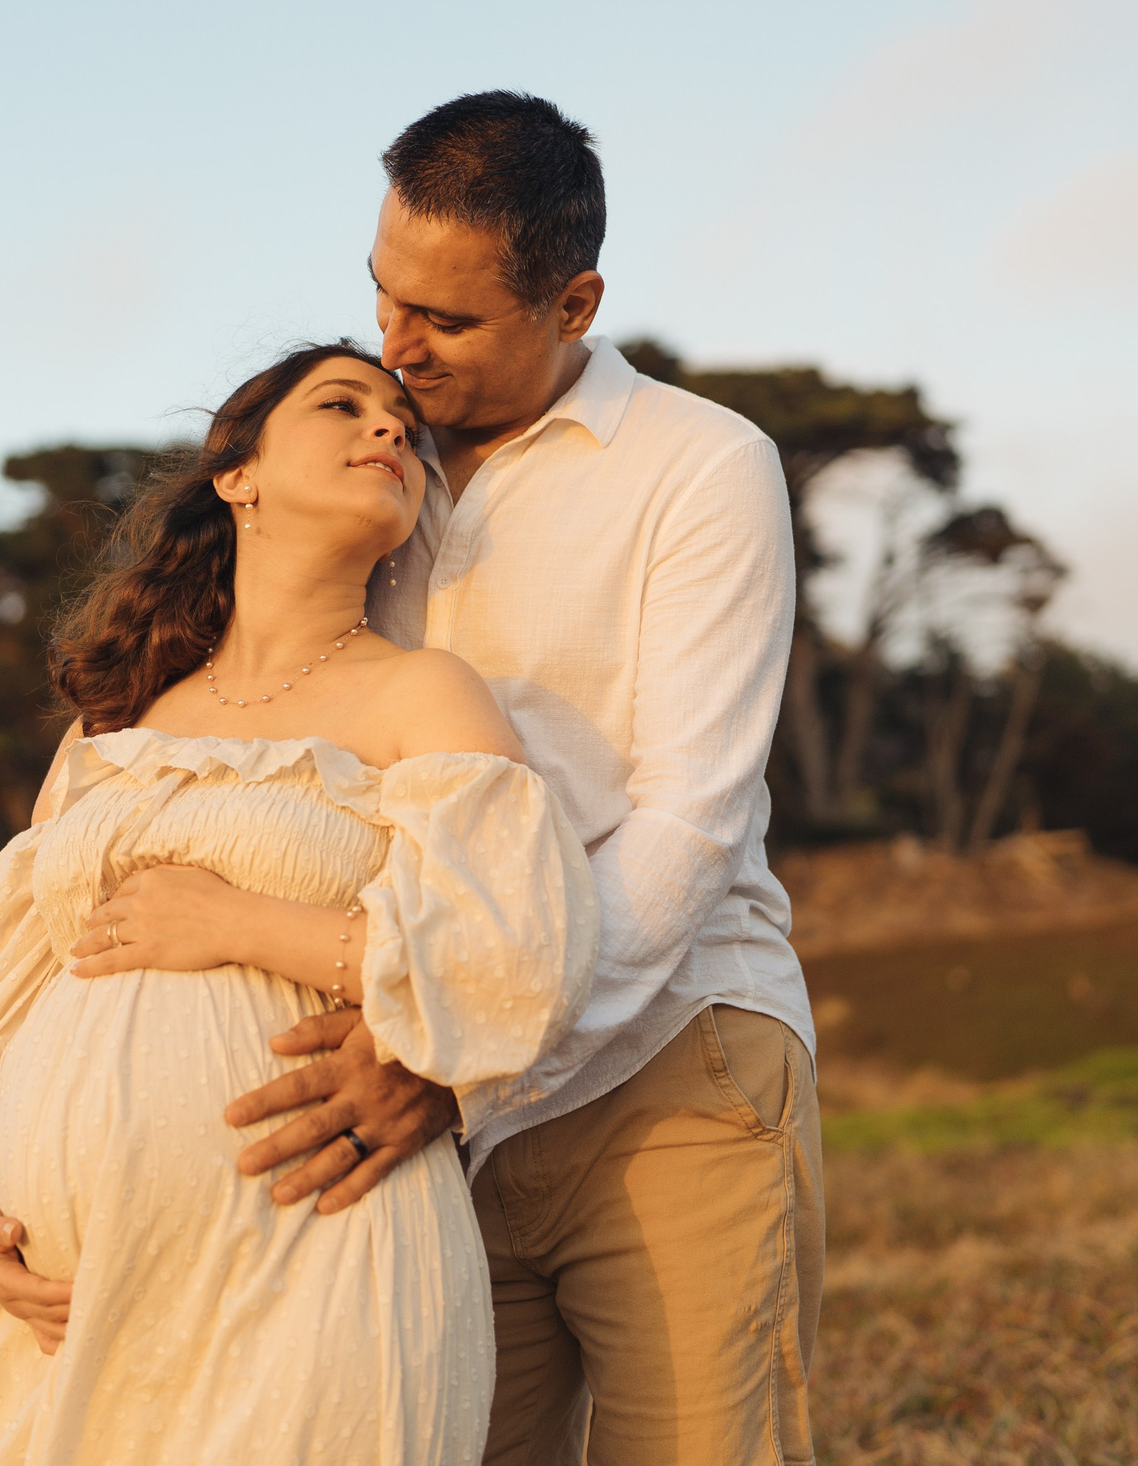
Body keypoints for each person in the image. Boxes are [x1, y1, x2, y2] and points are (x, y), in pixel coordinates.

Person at [214, 91, 825, 1463]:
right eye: (381, 294)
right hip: (416, 1111)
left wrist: (459, 1052)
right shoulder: (369, 469)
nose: (394, 344)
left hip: (670, 1058)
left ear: (573, 299)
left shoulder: (702, 466)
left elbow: (690, 818)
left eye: (445, 319)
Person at [0, 343, 598, 1465]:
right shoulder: (110, 732)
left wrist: (236, 924)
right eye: (342, 407)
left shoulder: (422, 695)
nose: (390, 429)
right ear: (236, 476)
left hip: (320, 1254)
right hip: (72, 1293)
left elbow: (514, 956)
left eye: (404, 420)